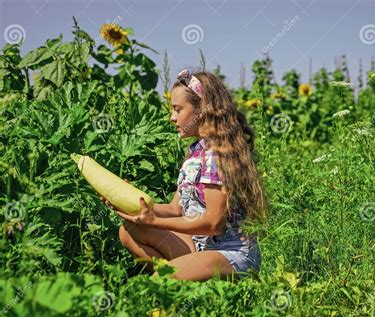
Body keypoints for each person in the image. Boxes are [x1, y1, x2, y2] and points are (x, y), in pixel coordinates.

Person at [102, 69, 267, 281]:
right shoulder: (195, 153)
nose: (172, 117)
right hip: (201, 246)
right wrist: (128, 201)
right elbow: (175, 209)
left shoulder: (217, 155)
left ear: (202, 110)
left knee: (160, 279)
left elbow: (213, 223)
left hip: (231, 255)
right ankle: (188, 283)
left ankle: (177, 281)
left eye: (178, 110)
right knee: (129, 230)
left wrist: (154, 222)